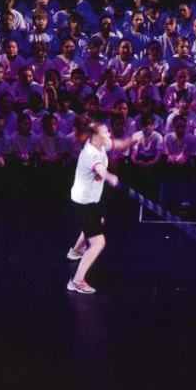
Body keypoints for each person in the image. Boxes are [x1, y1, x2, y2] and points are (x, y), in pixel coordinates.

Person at [66, 120, 136, 295]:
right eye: (105, 132)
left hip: (90, 199)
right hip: (85, 202)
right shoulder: (92, 154)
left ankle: (75, 251)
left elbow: (120, 144)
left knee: (97, 221)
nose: (109, 135)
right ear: (95, 136)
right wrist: (111, 177)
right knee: (98, 243)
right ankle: (76, 281)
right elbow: (101, 170)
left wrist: (134, 138)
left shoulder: (100, 144)